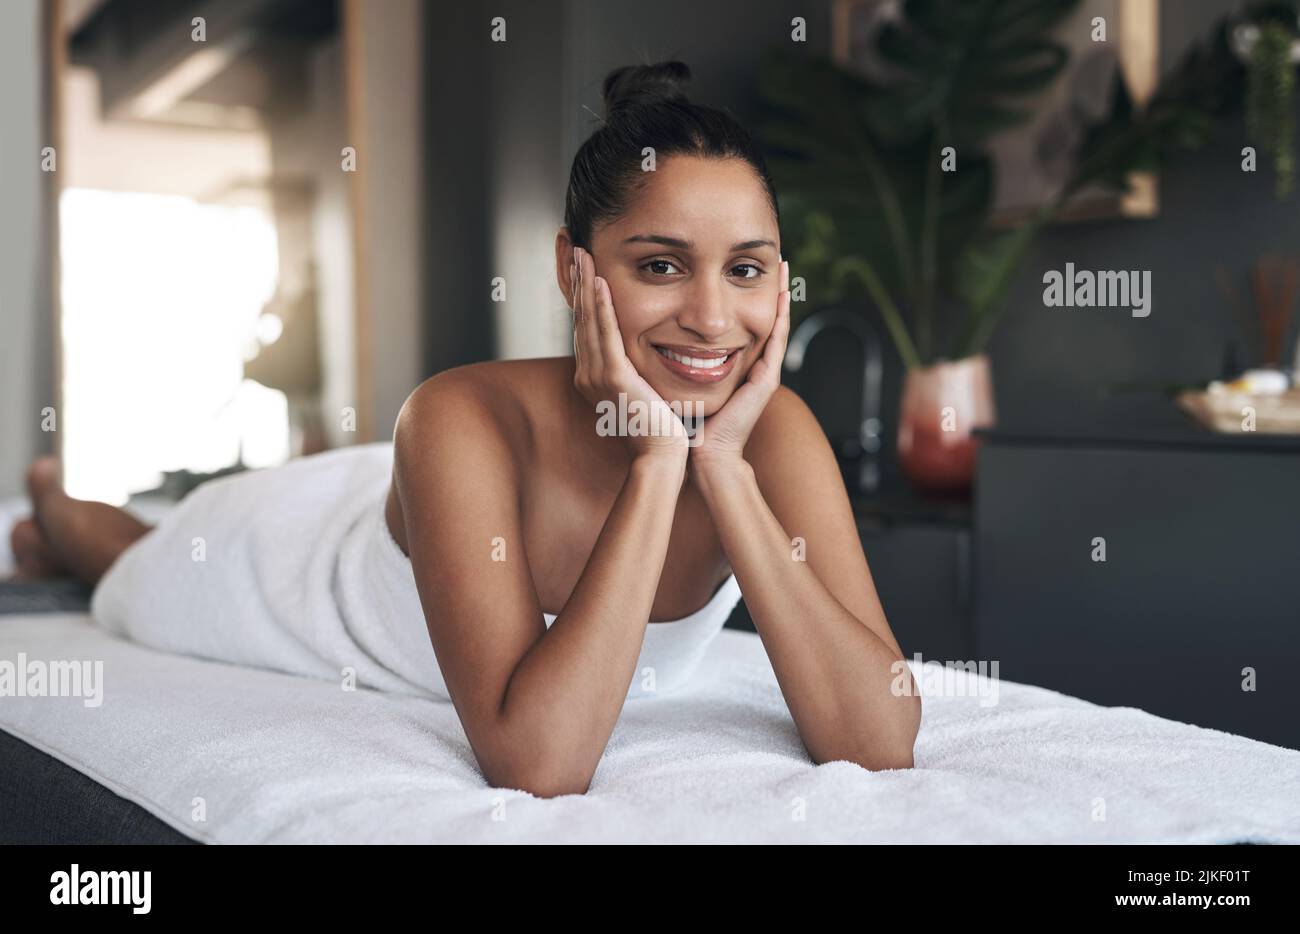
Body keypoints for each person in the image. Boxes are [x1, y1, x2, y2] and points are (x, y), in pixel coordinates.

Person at [11, 61, 920, 797]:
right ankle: (56, 503)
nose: (714, 319)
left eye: (747, 270)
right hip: (291, 566)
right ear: (575, 273)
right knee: (137, 559)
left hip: (425, 494)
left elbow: (879, 739)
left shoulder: (772, 434)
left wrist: (718, 464)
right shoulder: (454, 413)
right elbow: (539, 763)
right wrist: (655, 468)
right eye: (661, 265)